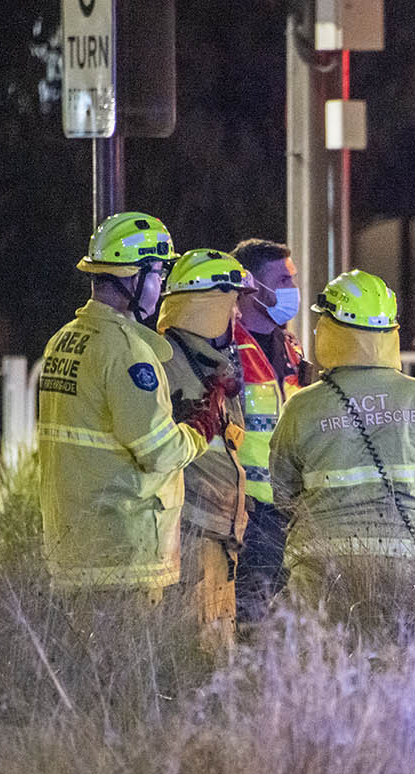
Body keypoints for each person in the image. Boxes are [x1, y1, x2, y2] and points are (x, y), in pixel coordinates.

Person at [268, 270, 415, 620]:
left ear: (332, 329)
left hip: (320, 566)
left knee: (323, 665)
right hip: (409, 562)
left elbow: (282, 492)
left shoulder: (302, 406)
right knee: (401, 663)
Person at [36, 212, 209, 601]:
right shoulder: (128, 353)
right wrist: (199, 431)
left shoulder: (63, 340)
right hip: (124, 551)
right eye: (159, 274)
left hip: (72, 544)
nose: (161, 285)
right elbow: (159, 452)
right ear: (134, 276)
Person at [156, 248, 255, 655]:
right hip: (192, 534)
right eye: (232, 307)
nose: (238, 319)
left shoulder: (207, 362)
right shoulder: (166, 360)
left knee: (217, 650)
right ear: (209, 308)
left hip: (217, 535)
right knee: (197, 656)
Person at [229, 238, 311, 622]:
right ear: (251, 286)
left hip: (288, 511)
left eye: (292, 279)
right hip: (247, 511)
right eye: (281, 280)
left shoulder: (290, 349)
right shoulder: (226, 347)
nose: (291, 290)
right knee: (251, 621)